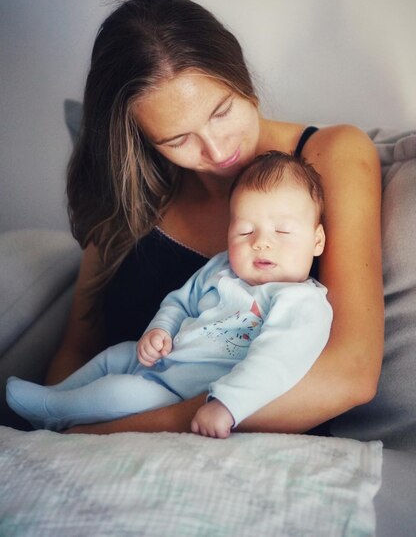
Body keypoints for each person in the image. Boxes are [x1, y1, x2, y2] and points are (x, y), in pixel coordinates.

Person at [42, 0, 383, 435]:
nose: (219, 151)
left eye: (222, 111)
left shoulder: (332, 154)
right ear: (142, 139)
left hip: (244, 455)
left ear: (240, 75)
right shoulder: (130, 190)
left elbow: (350, 374)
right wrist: (48, 439)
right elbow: (77, 349)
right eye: (177, 139)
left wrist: (105, 436)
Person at [7, 152, 332, 438]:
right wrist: (160, 330)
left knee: (122, 394)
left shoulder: (299, 301)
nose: (261, 242)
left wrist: (228, 405)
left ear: (317, 241)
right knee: (116, 355)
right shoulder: (221, 269)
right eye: (245, 230)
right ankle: (56, 394)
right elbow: (179, 301)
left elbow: (275, 364)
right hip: (162, 358)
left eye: (283, 231)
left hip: (176, 393)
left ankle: (55, 411)